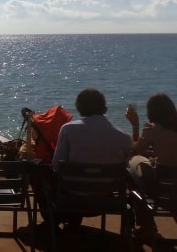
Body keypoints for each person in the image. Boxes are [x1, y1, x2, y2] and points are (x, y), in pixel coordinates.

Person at [49, 88, 131, 230]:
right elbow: (126, 169)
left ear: (79, 107)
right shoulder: (124, 136)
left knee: (39, 173)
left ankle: (54, 226)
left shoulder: (68, 129)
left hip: (72, 199)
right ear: (103, 107)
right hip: (105, 199)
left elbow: (56, 167)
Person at [125, 92, 177, 242]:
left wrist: (135, 125)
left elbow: (136, 150)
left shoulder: (152, 129)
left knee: (134, 163)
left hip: (163, 195)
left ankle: (146, 226)